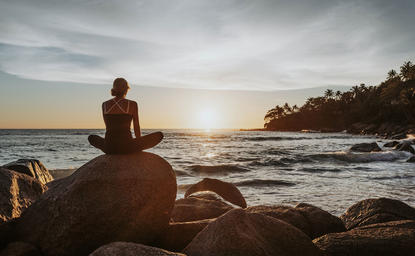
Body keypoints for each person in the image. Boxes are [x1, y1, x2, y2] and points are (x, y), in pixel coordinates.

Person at [88, 78, 163, 154]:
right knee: (159, 135)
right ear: (126, 89)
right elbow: (136, 126)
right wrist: (139, 143)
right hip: (127, 147)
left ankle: (111, 146)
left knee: (91, 138)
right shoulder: (132, 104)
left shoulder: (104, 104)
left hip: (109, 147)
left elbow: (108, 127)